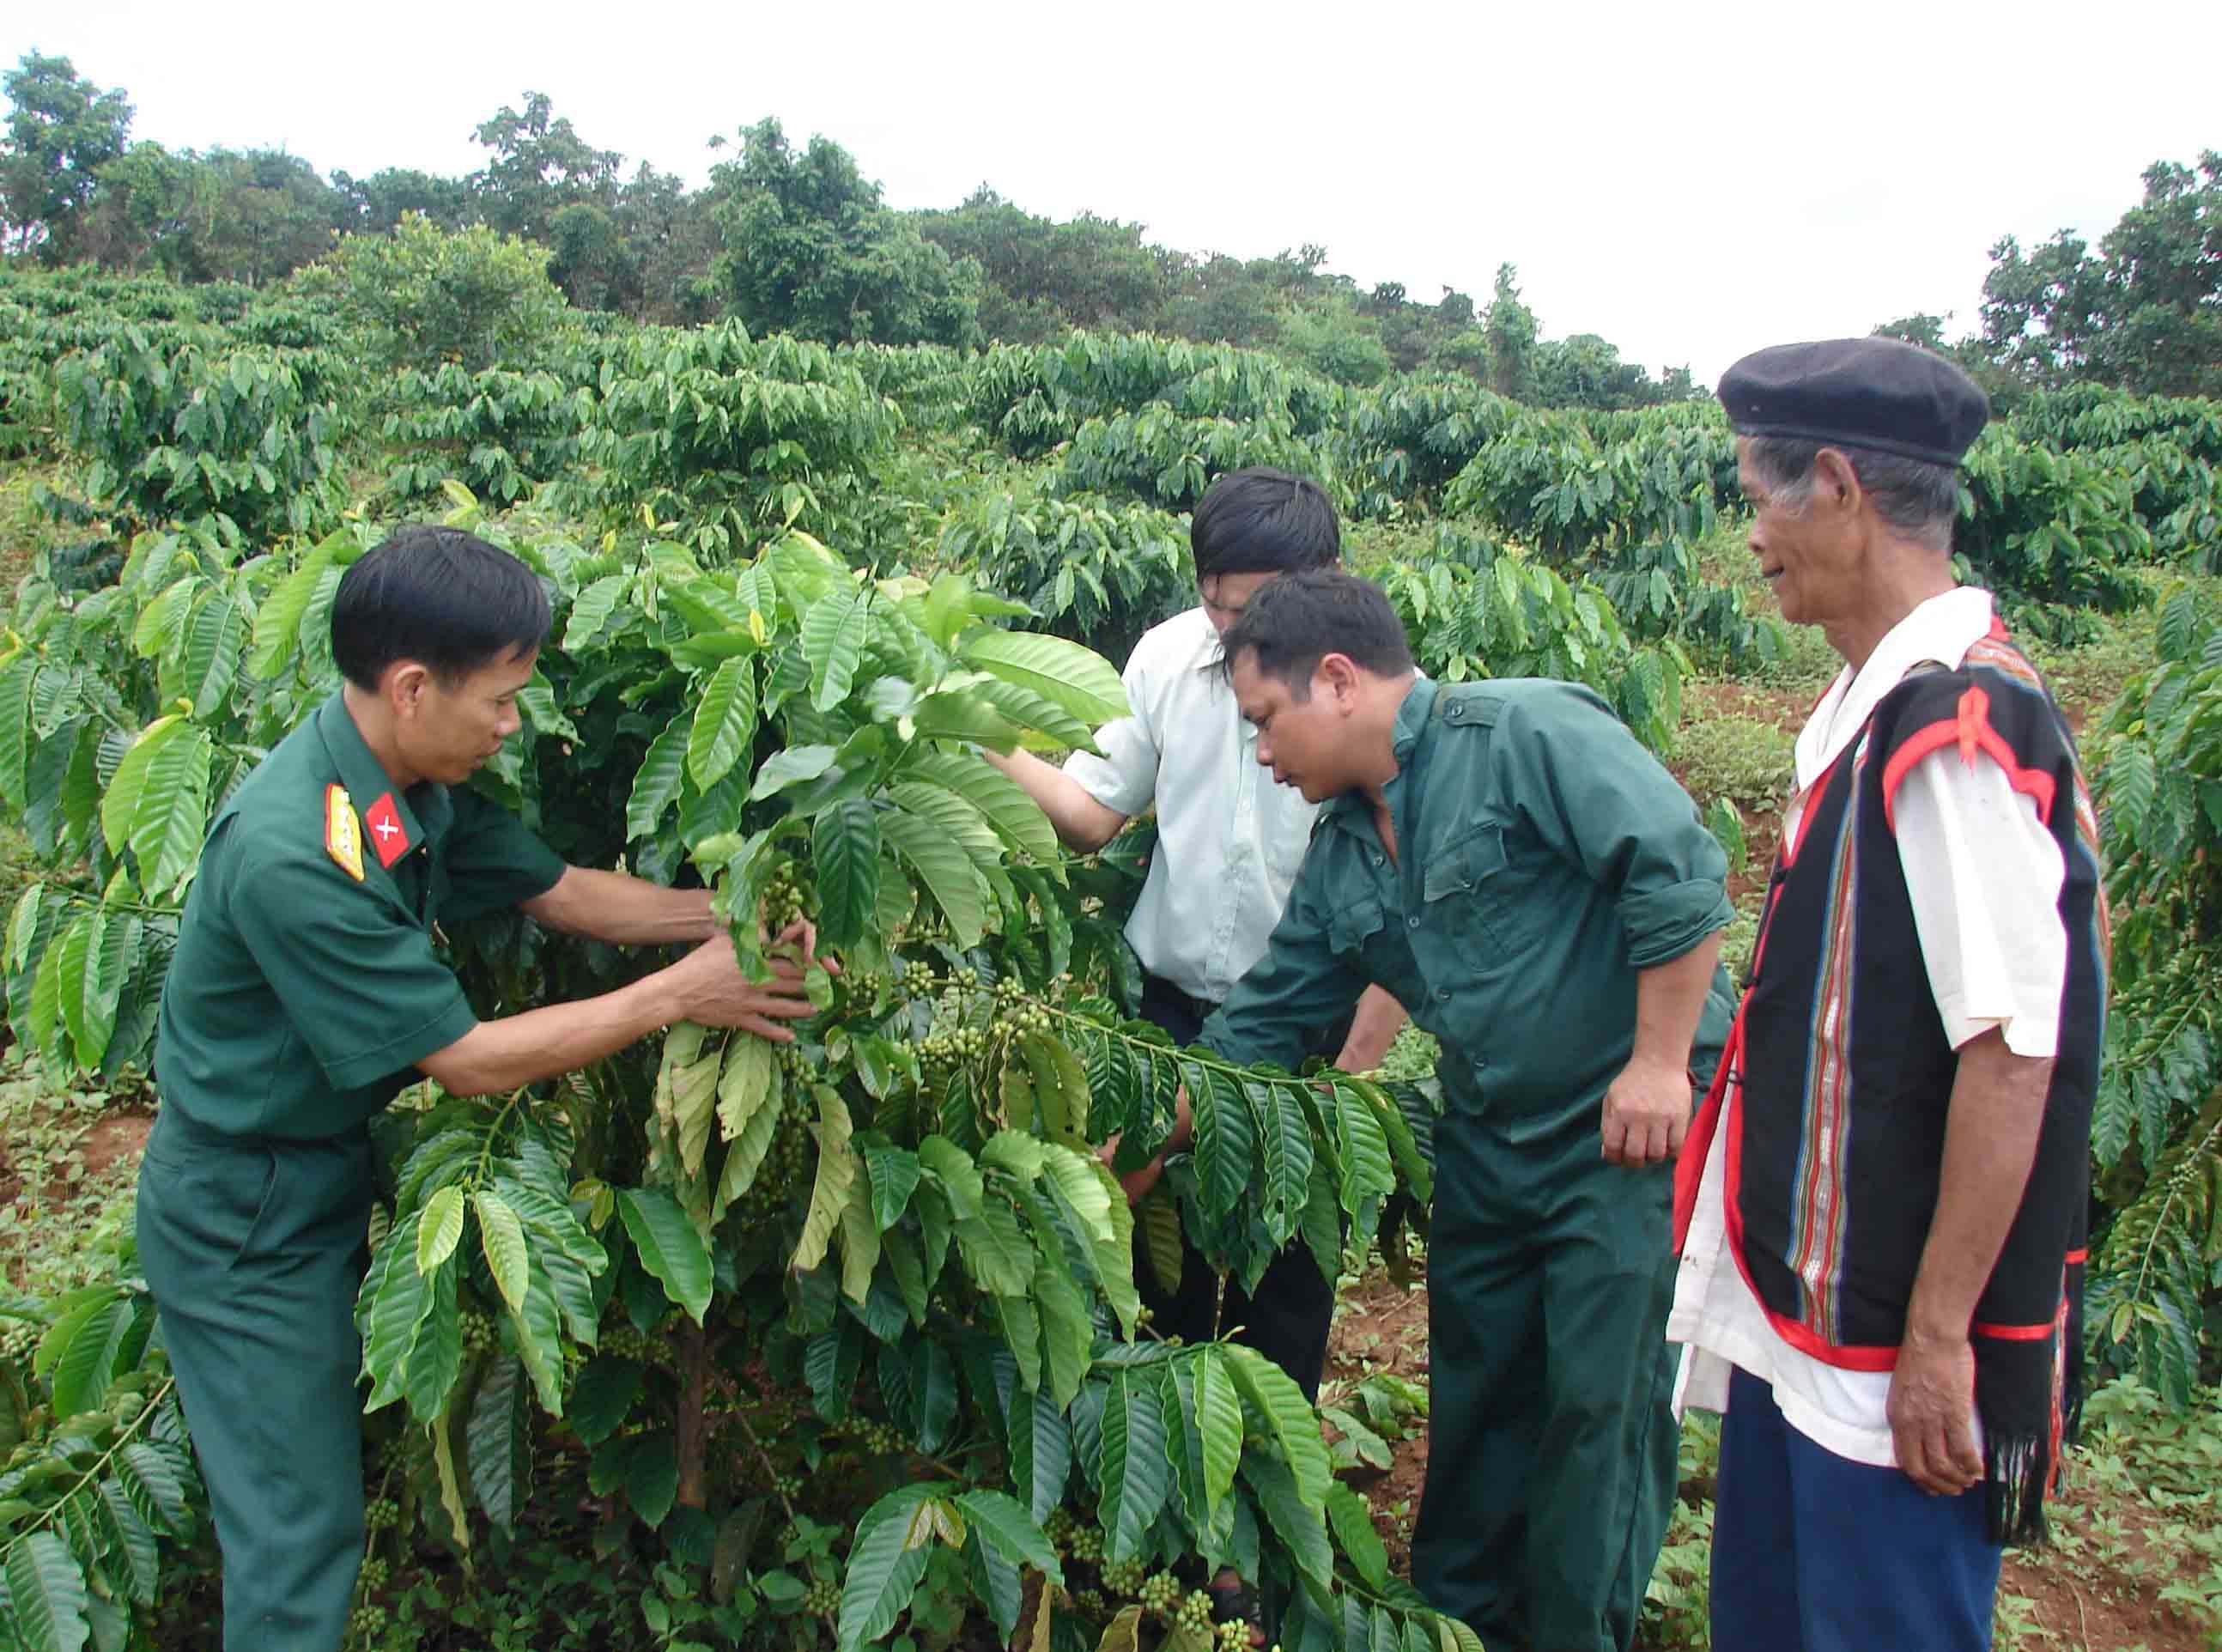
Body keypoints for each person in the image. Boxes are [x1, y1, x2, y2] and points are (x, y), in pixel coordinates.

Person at [137, 526, 823, 1652]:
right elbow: (463, 1059)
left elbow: (560, 893)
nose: (514, 724)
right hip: (241, 1218)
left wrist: (737, 920)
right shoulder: (296, 851)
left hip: (309, 1172)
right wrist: (679, 997)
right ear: (412, 687)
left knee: (302, 1488)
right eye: (501, 700)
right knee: (298, 1532)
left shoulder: (396, 785)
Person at [1128, 568, 1734, 1652]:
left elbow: (1678, 876)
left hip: (1619, 1141)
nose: (1263, 755)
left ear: (1338, 679)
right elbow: (1253, 1031)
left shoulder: (1523, 734)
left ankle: (1573, 1632)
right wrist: (1127, 1156)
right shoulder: (1345, 853)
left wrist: (1654, 1065)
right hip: (1489, 1139)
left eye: (1267, 723)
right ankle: (1460, 1624)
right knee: (1475, 1387)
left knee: (1594, 1410)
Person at [1667, 338, 2107, 1652]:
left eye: (1761, 497)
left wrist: (1937, 1338)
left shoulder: (1954, 726)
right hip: (1803, 1300)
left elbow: (2013, 1052)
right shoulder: (1869, 705)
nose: (1754, 538)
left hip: (1880, 1340)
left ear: (1842, 487)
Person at [983, 467, 1403, 1632]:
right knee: (1162, 1272)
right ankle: (1156, 1520)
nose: (1235, 634)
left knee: (1284, 1291)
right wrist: (966, 730)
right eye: (1219, 606)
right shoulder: (1170, 658)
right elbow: (1091, 814)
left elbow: (1397, 903)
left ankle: (1258, 1548)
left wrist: (1349, 1080)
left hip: (1306, 1034)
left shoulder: (1363, 687)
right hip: (1170, 1009)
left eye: (1255, 606)